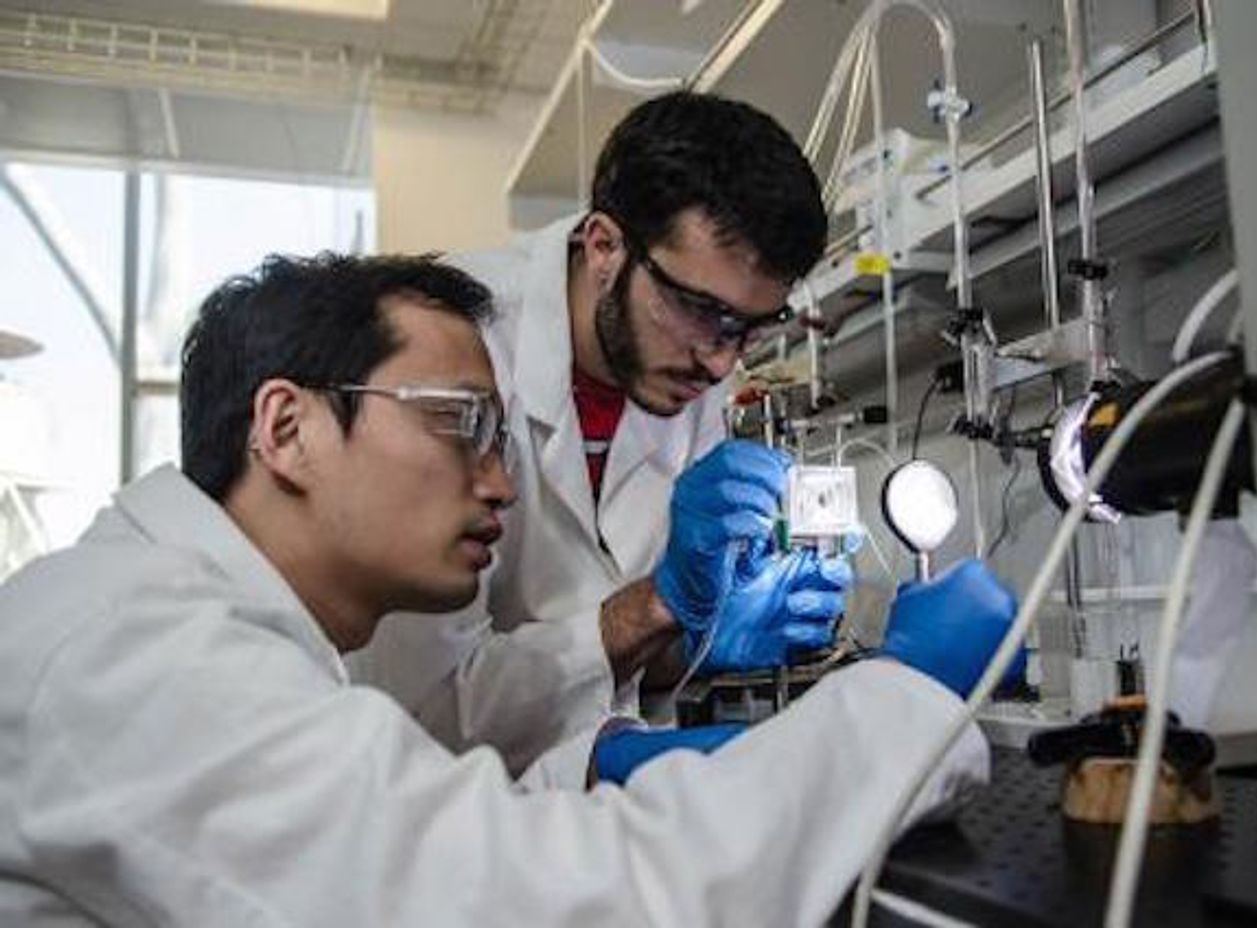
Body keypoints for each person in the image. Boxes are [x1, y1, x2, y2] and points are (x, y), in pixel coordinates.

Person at [0, 252, 1019, 925]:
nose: (500, 479)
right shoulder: (134, 653)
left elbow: (398, 831)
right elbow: (536, 904)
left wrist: (603, 765)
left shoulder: (197, 620)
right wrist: (899, 699)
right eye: (460, 420)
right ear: (286, 428)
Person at [351, 90, 837, 772]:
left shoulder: (695, 368)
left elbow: (628, 667)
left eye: (752, 327)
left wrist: (702, 635)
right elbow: (422, 704)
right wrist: (655, 607)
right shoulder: (449, 344)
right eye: (700, 310)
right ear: (604, 246)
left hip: (591, 813)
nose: (724, 360)